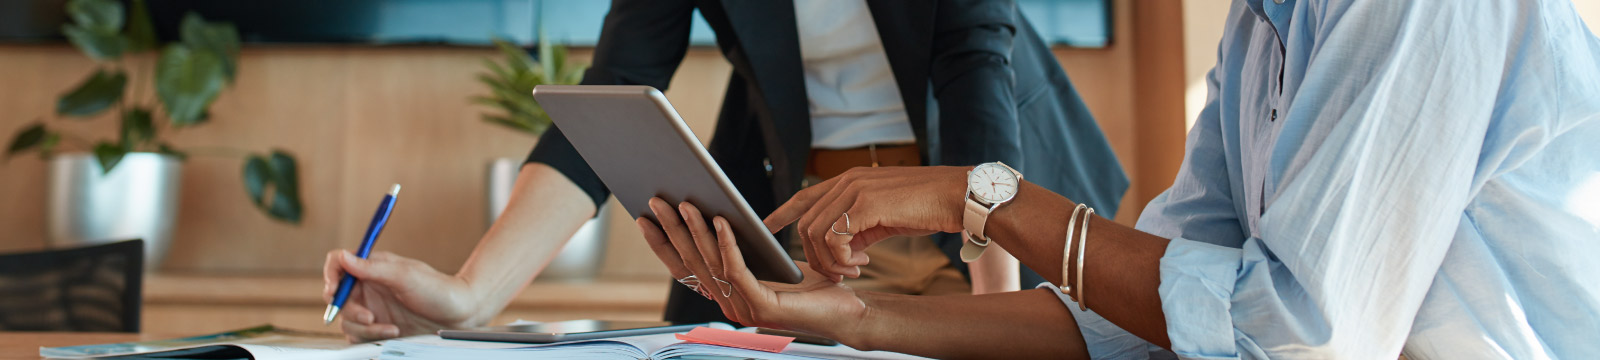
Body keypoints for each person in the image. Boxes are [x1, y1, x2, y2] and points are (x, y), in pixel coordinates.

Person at [638, 0, 1600, 358]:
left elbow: (1295, 337)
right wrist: (851, 325)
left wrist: (979, 197)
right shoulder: (1263, 22)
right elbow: (1156, 313)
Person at [321, 0, 1129, 342]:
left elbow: (974, 74)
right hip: (816, 223)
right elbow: (610, 95)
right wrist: (468, 296)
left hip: (983, 206)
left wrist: (1008, 323)